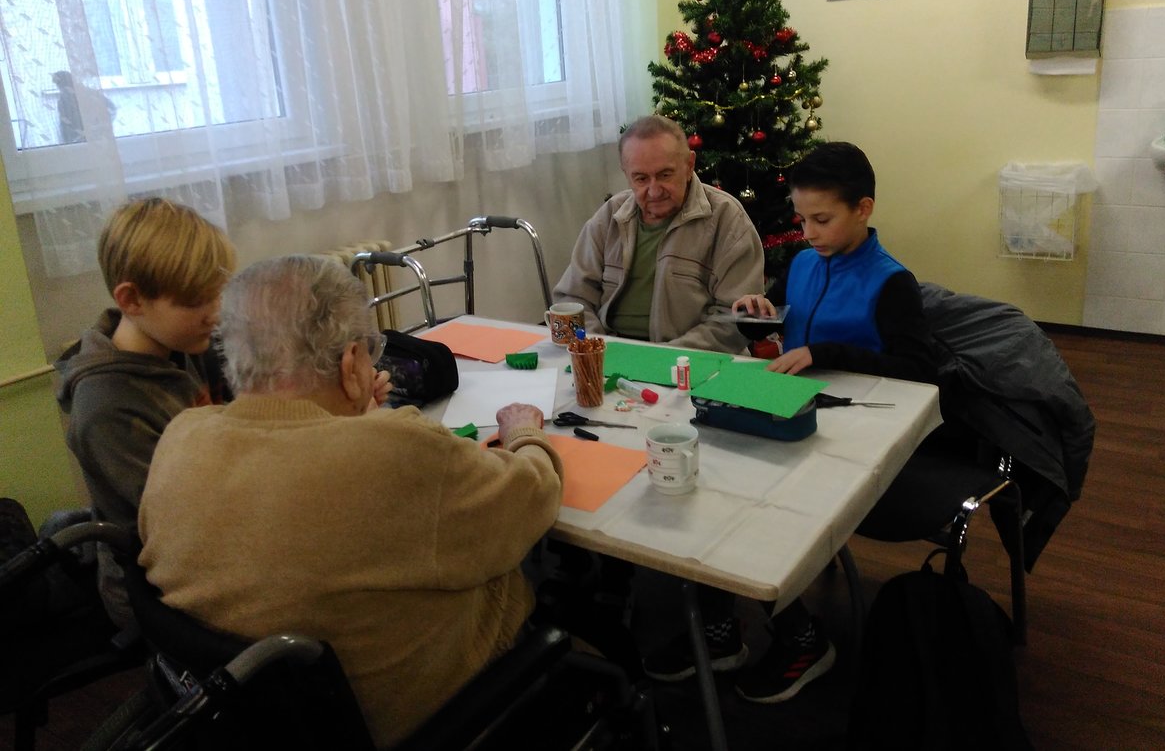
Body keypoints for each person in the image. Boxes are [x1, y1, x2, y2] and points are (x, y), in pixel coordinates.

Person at [136, 255, 564, 747]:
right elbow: (536, 495)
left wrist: (353, 422)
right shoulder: (394, 450)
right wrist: (525, 433)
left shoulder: (180, 438)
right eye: (371, 353)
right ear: (351, 364)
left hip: (242, 723)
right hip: (425, 718)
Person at [643, 141, 936, 704]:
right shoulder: (803, 263)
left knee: (758, 506)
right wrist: (758, 312)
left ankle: (801, 635)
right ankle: (721, 623)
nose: (808, 232)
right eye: (802, 219)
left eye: (821, 219)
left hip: (854, 426)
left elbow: (920, 370)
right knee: (713, 479)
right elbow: (779, 318)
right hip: (792, 410)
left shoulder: (890, 282)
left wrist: (827, 352)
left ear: (864, 209)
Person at [56, 197, 236, 631]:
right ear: (132, 300)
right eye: (196, 302)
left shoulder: (183, 344)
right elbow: (180, 522)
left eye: (217, 295)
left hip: (210, 535)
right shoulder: (106, 409)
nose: (215, 314)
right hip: (151, 589)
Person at [552, 114, 765, 356]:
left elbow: (735, 320)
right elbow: (572, 298)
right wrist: (600, 349)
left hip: (693, 362)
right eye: (641, 179)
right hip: (609, 354)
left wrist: (660, 358)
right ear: (626, 174)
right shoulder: (610, 217)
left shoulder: (727, 219)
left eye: (665, 175)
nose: (654, 191)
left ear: (689, 166)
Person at [52, 70, 115, 143]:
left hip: (97, 140)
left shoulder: (91, 94)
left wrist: (98, 127)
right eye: (59, 86)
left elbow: (111, 110)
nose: (60, 89)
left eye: (60, 85)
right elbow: (64, 125)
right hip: (76, 142)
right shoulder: (62, 101)